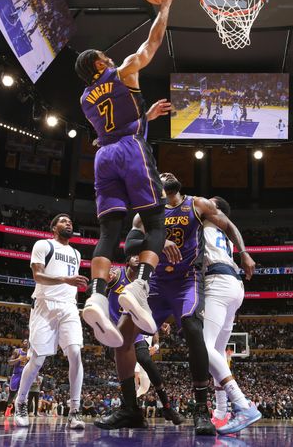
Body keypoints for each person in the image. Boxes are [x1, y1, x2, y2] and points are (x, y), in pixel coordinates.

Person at [102, 173, 253, 435]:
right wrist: (159, 242)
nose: (166, 175)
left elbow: (229, 225)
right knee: (122, 337)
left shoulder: (197, 204)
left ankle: (201, 411)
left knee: (193, 328)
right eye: (160, 174)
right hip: (157, 283)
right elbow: (130, 245)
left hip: (187, 281)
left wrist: (244, 252)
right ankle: (130, 409)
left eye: (169, 174)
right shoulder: (145, 214)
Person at [76, 0, 176, 347]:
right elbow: (152, 43)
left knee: (108, 232)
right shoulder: (122, 70)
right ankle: (140, 285)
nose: (109, 56)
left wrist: (143, 116)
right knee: (155, 221)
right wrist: (163, 8)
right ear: (100, 64)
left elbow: (113, 124)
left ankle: (98, 296)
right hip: (130, 149)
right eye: (104, 55)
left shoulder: (85, 98)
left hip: (103, 156)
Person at [12, 214, 86, 429]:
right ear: (54, 228)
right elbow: (38, 276)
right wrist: (65, 280)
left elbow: (72, 284)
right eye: (63, 221)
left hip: (69, 307)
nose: (69, 223)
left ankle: (74, 411)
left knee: (75, 352)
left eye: (70, 221)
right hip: (45, 305)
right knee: (36, 359)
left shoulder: (76, 253)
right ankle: (21, 402)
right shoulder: (43, 245)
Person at [200, 195, 261, 434]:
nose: (202, 203)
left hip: (218, 281)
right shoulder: (222, 231)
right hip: (233, 286)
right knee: (217, 354)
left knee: (204, 349)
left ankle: (242, 404)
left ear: (216, 210)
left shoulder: (206, 223)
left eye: (209, 202)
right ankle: (221, 412)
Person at [106, 256, 183, 424]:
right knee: (126, 372)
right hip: (115, 330)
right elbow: (98, 283)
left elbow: (150, 309)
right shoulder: (117, 274)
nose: (137, 258)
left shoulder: (145, 283)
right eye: (133, 255)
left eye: (140, 256)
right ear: (126, 261)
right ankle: (131, 409)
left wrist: (160, 325)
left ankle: (167, 407)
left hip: (133, 329)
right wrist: (105, 278)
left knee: (146, 360)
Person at [6, 339, 29, 411]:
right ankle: (8, 409)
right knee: (12, 393)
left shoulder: (30, 353)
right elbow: (9, 362)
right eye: (25, 341)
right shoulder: (17, 351)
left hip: (25, 376)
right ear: (22, 343)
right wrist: (18, 359)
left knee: (23, 394)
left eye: (28, 342)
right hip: (16, 374)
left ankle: (20, 410)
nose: (26, 343)